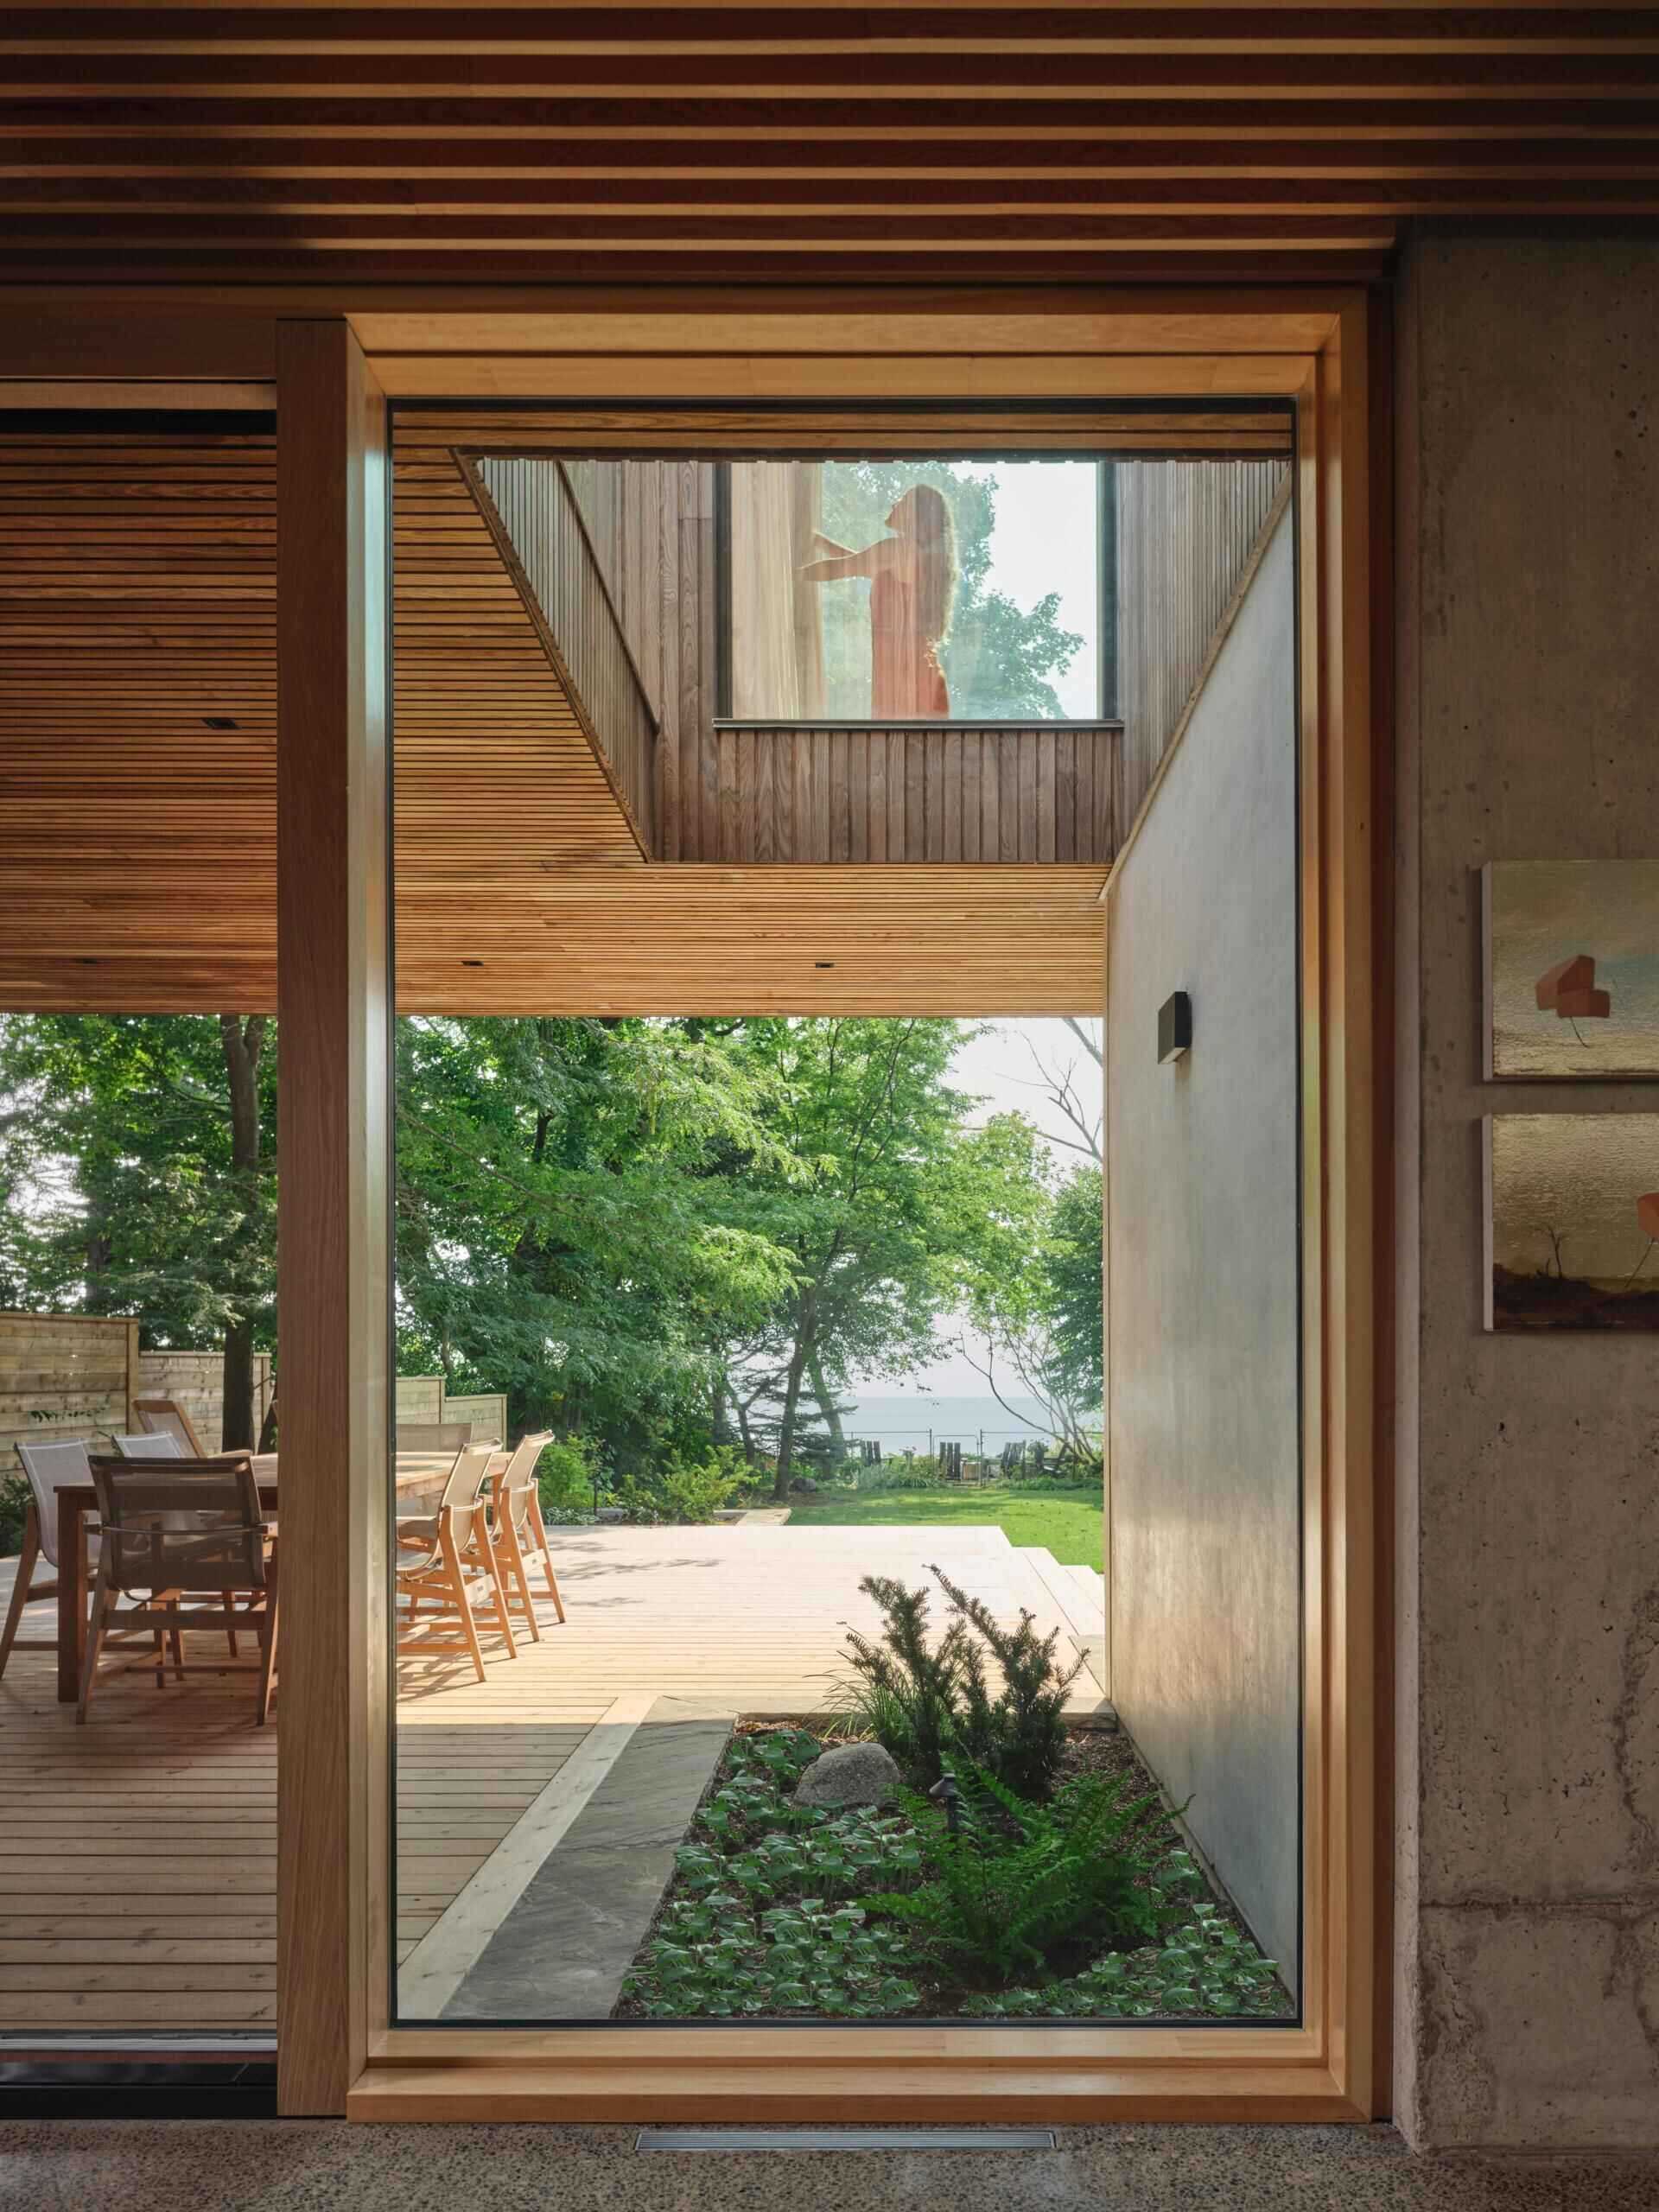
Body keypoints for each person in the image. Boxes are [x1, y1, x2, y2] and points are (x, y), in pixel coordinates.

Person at [799, 483, 958, 717]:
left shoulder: (898, 550)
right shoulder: (910, 554)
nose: (894, 504)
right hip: (923, 682)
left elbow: (840, 568)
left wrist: (783, 575)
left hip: (907, 683)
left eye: (902, 501)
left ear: (915, 515)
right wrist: (818, 541)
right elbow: (859, 562)